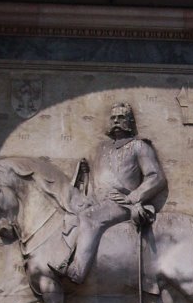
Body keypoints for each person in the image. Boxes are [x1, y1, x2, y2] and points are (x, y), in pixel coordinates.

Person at [52, 102, 167, 284]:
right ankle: (64, 258)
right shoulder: (102, 150)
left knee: (89, 217)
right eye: (113, 118)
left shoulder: (139, 147)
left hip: (123, 204)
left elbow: (156, 177)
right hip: (100, 202)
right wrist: (84, 173)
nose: (116, 121)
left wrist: (133, 197)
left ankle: (77, 272)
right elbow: (98, 182)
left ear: (129, 121)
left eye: (121, 118)